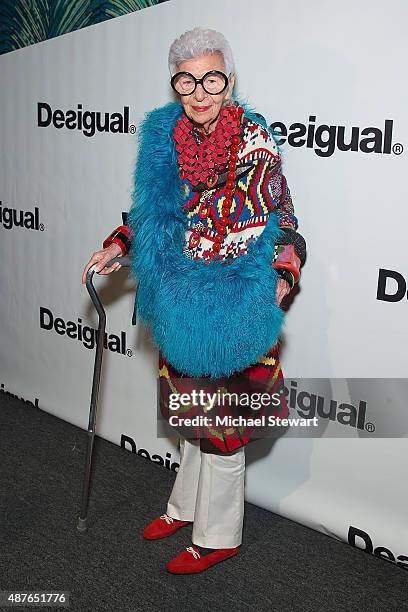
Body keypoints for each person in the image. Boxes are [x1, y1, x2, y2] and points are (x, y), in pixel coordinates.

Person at [82, 27, 306, 575]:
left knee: (224, 429)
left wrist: (283, 270)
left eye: (211, 78)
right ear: (175, 85)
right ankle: (185, 508)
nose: (199, 91)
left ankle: (219, 535)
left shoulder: (256, 140)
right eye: (187, 80)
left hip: (234, 303)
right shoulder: (162, 138)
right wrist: (119, 246)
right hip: (180, 299)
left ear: (228, 80)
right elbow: (152, 215)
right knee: (189, 416)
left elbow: (286, 223)